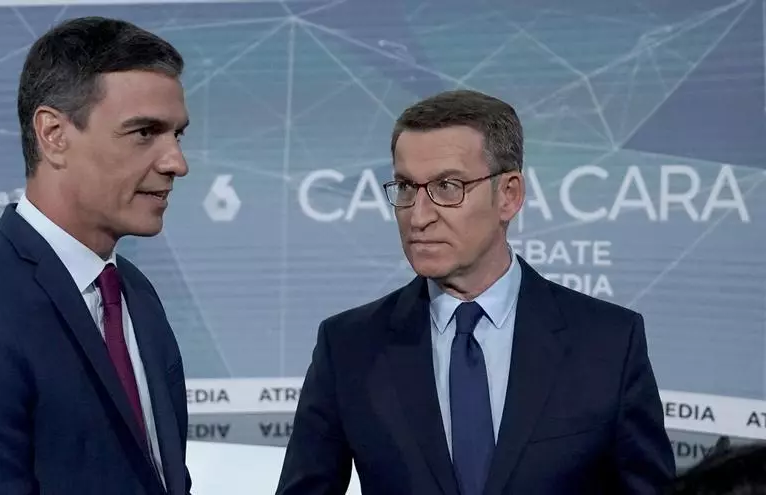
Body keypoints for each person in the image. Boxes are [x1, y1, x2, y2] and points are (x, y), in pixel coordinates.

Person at [276, 89, 675, 494]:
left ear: (509, 195)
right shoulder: (349, 347)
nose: (419, 216)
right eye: (406, 187)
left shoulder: (609, 343)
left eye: (448, 186)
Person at [0, 16, 192, 495]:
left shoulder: (136, 294)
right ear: (53, 134)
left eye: (177, 135)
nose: (176, 162)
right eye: (143, 133)